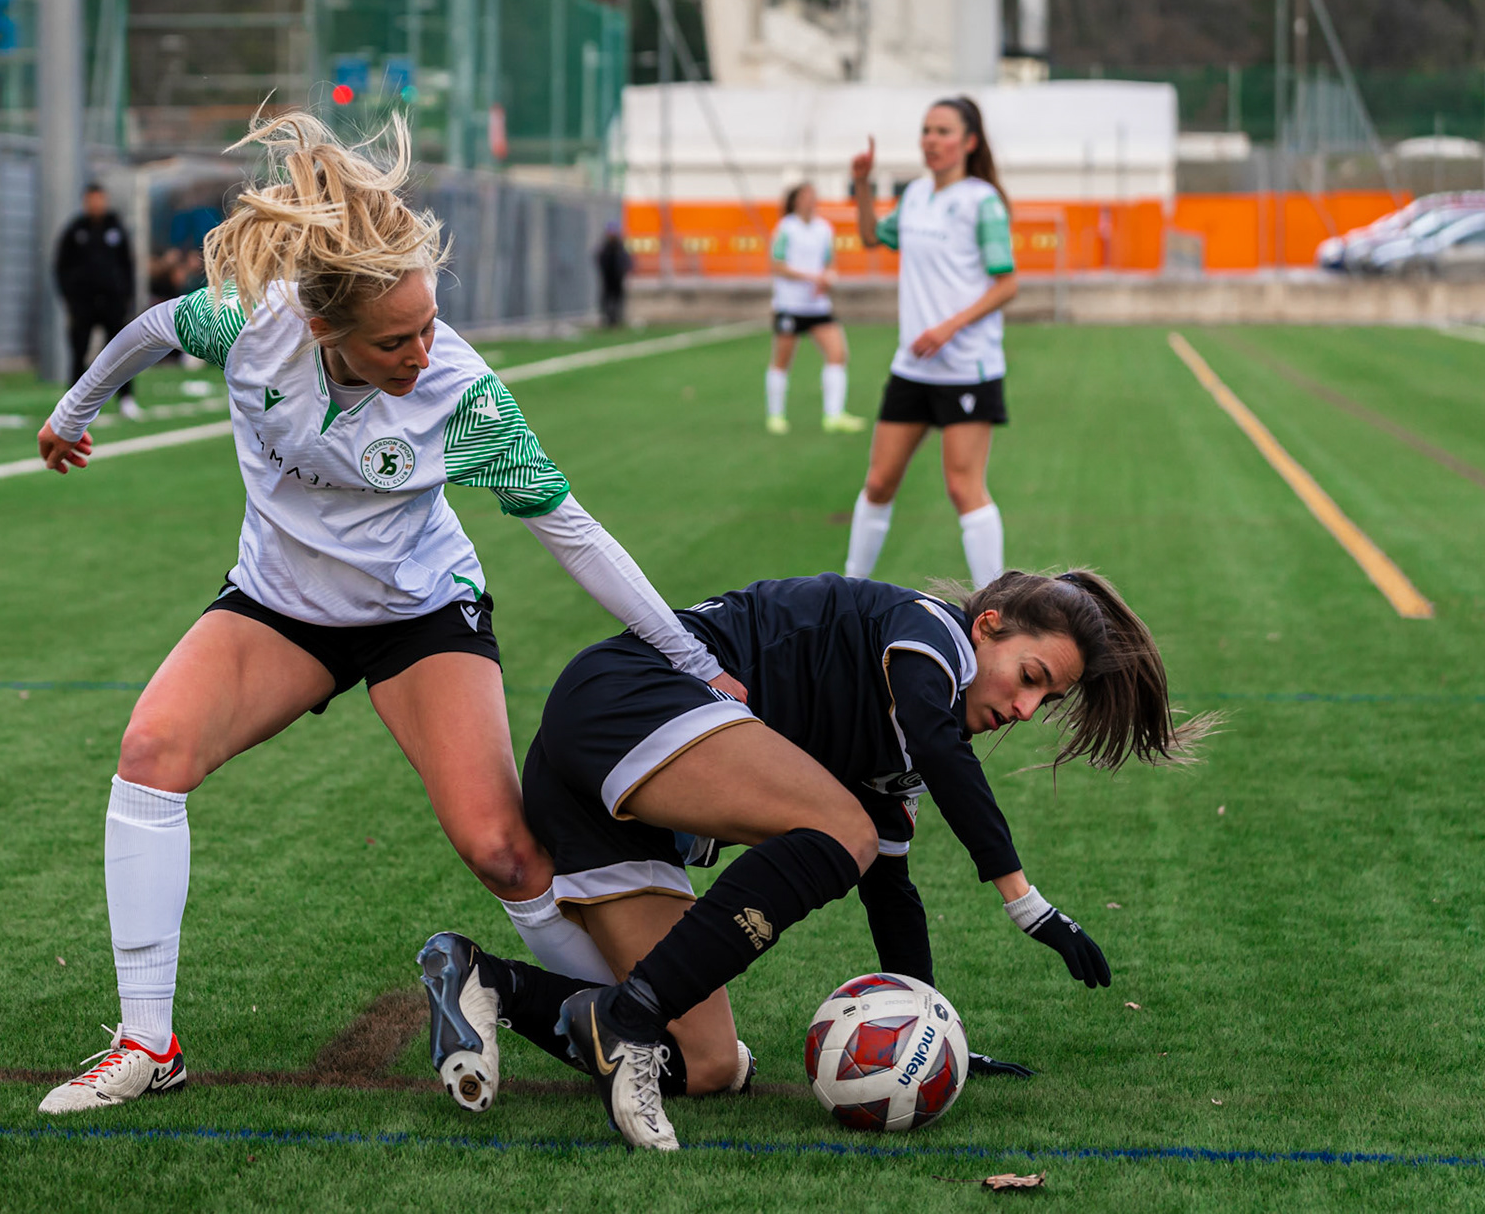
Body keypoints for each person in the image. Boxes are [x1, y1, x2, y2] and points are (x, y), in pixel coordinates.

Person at [30, 111, 745, 1116]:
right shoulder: (251, 323)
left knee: (500, 845)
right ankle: (147, 1039)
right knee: (151, 749)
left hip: (420, 611)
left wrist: (690, 654)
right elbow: (151, 329)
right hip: (281, 607)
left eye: (428, 322)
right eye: (396, 338)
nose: (423, 348)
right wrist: (75, 412)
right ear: (325, 330)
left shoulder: (460, 389)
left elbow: (570, 528)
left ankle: (624, 1022)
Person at [418, 568, 1214, 1149]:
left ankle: (487, 982)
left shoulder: (905, 748)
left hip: (610, 805)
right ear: (990, 626)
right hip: (628, 699)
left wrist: (937, 1035)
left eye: (1048, 703)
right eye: (1031, 677)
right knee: (844, 830)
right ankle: (622, 1018)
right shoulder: (929, 630)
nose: (1023, 708)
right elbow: (937, 749)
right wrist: (1024, 900)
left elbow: (890, 892)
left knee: (706, 1066)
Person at [845, 97, 1019, 589]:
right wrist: (861, 182)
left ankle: (996, 601)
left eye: (943, 131)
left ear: (968, 141)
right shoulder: (916, 196)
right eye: (926, 130)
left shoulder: (981, 201)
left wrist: (947, 328)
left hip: (966, 367)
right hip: (913, 369)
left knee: (963, 488)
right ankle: (849, 588)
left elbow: (1007, 284)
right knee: (878, 483)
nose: (932, 140)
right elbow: (868, 237)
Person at [766, 183, 864, 435]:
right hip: (790, 305)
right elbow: (777, 265)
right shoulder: (786, 228)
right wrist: (811, 277)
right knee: (782, 361)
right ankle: (775, 415)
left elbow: (829, 263)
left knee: (838, 354)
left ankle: (833, 415)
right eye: (806, 196)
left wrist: (828, 278)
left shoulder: (824, 229)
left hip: (818, 306)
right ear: (795, 200)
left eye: (814, 195)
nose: (812, 200)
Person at [56, 183, 141, 419]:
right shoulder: (75, 231)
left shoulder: (116, 229)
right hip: (83, 304)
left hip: (113, 302)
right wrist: (70, 297)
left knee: (122, 351)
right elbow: (61, 267)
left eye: (99, 199)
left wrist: (126, 297)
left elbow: (127, 266)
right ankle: (73, 404)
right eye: (92, 200)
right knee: (78, 352)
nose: (96, 204)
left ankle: (126, 398)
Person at [595, 222, 632, 329]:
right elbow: (600, 260)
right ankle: (607, 319)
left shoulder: (619, 247)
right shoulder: (605, 247)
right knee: (607, 299)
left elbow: (626, 260)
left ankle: (616, 319)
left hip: (618, 277)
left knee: (617, 299)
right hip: (607, 277)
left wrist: (623, 271)